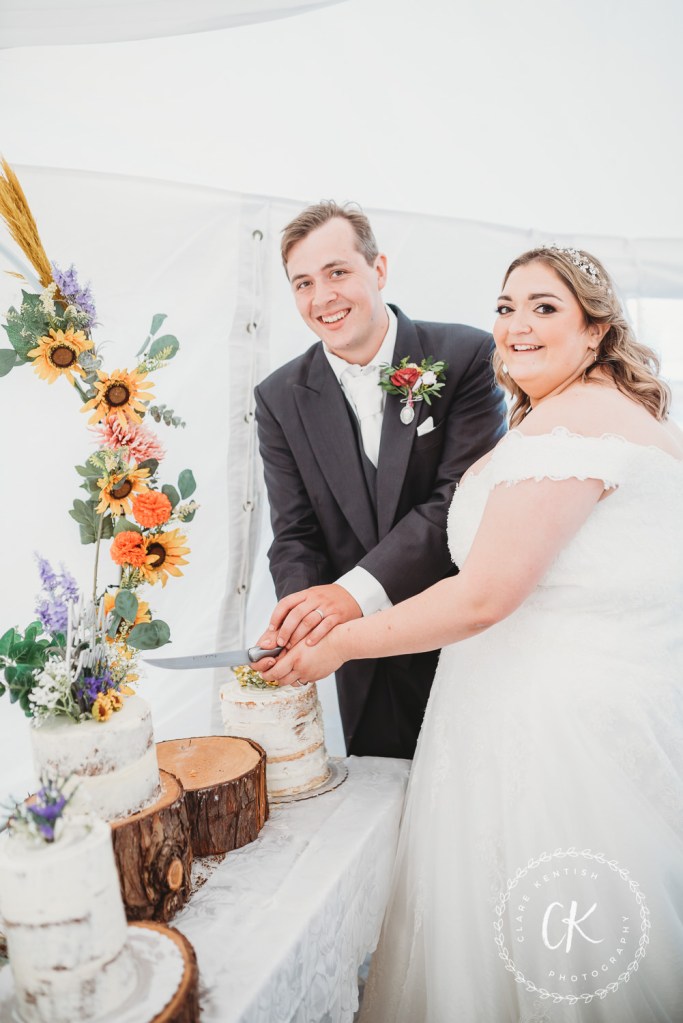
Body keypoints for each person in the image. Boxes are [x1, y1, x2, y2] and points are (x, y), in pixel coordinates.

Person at [260, 245, 683, 1021]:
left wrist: (342, 640)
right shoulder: (594, 412)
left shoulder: (575, 423)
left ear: (595, 330)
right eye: (506, 306)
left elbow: (484, 595)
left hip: (552, 746)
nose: (516, 325)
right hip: (542, 716)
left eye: (544, 307)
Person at [253, 201, 506, 758]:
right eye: (303, 283)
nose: (322, 297)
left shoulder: (466, 356)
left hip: (461, 642)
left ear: (379, 268)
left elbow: (457, 501)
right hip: (363, 669)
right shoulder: (277, 397)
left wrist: (348, 598)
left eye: (337, 272)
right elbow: (294, 531)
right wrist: (302, 620)